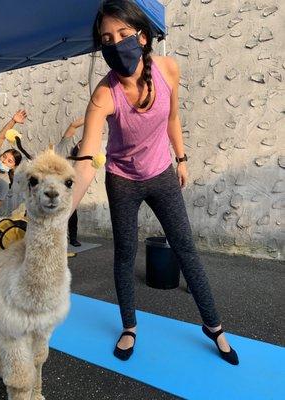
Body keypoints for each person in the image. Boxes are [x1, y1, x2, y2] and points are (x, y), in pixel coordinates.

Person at [72, 0, 239, 365]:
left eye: (123, 34)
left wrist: (181, 158)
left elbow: (173, 117)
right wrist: (61, 213)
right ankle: (129, 326)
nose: (115, 43)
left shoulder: (168, 69)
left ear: (143, 37)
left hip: (162, 172)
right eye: (106, 39)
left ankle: (213, 326)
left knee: (185, 248)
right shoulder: (103, 95)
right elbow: (85, 163)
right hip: (122, 179)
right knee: (124, 254)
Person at [0, 110, 25, 220]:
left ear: (13, 166)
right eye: (4, 156)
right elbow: (0, 138)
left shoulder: (5, 181)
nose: (4, 161)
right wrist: (13, 121)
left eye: (10, 161)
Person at [56, 117, 85, 246]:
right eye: (80, 143)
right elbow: (72, 126)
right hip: (54, 188)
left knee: (72, 215)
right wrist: (92, 117)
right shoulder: (63, 149)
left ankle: (73, 238)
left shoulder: (82, 161)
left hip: (67, 193)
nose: (82, 146)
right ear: (77, 144)